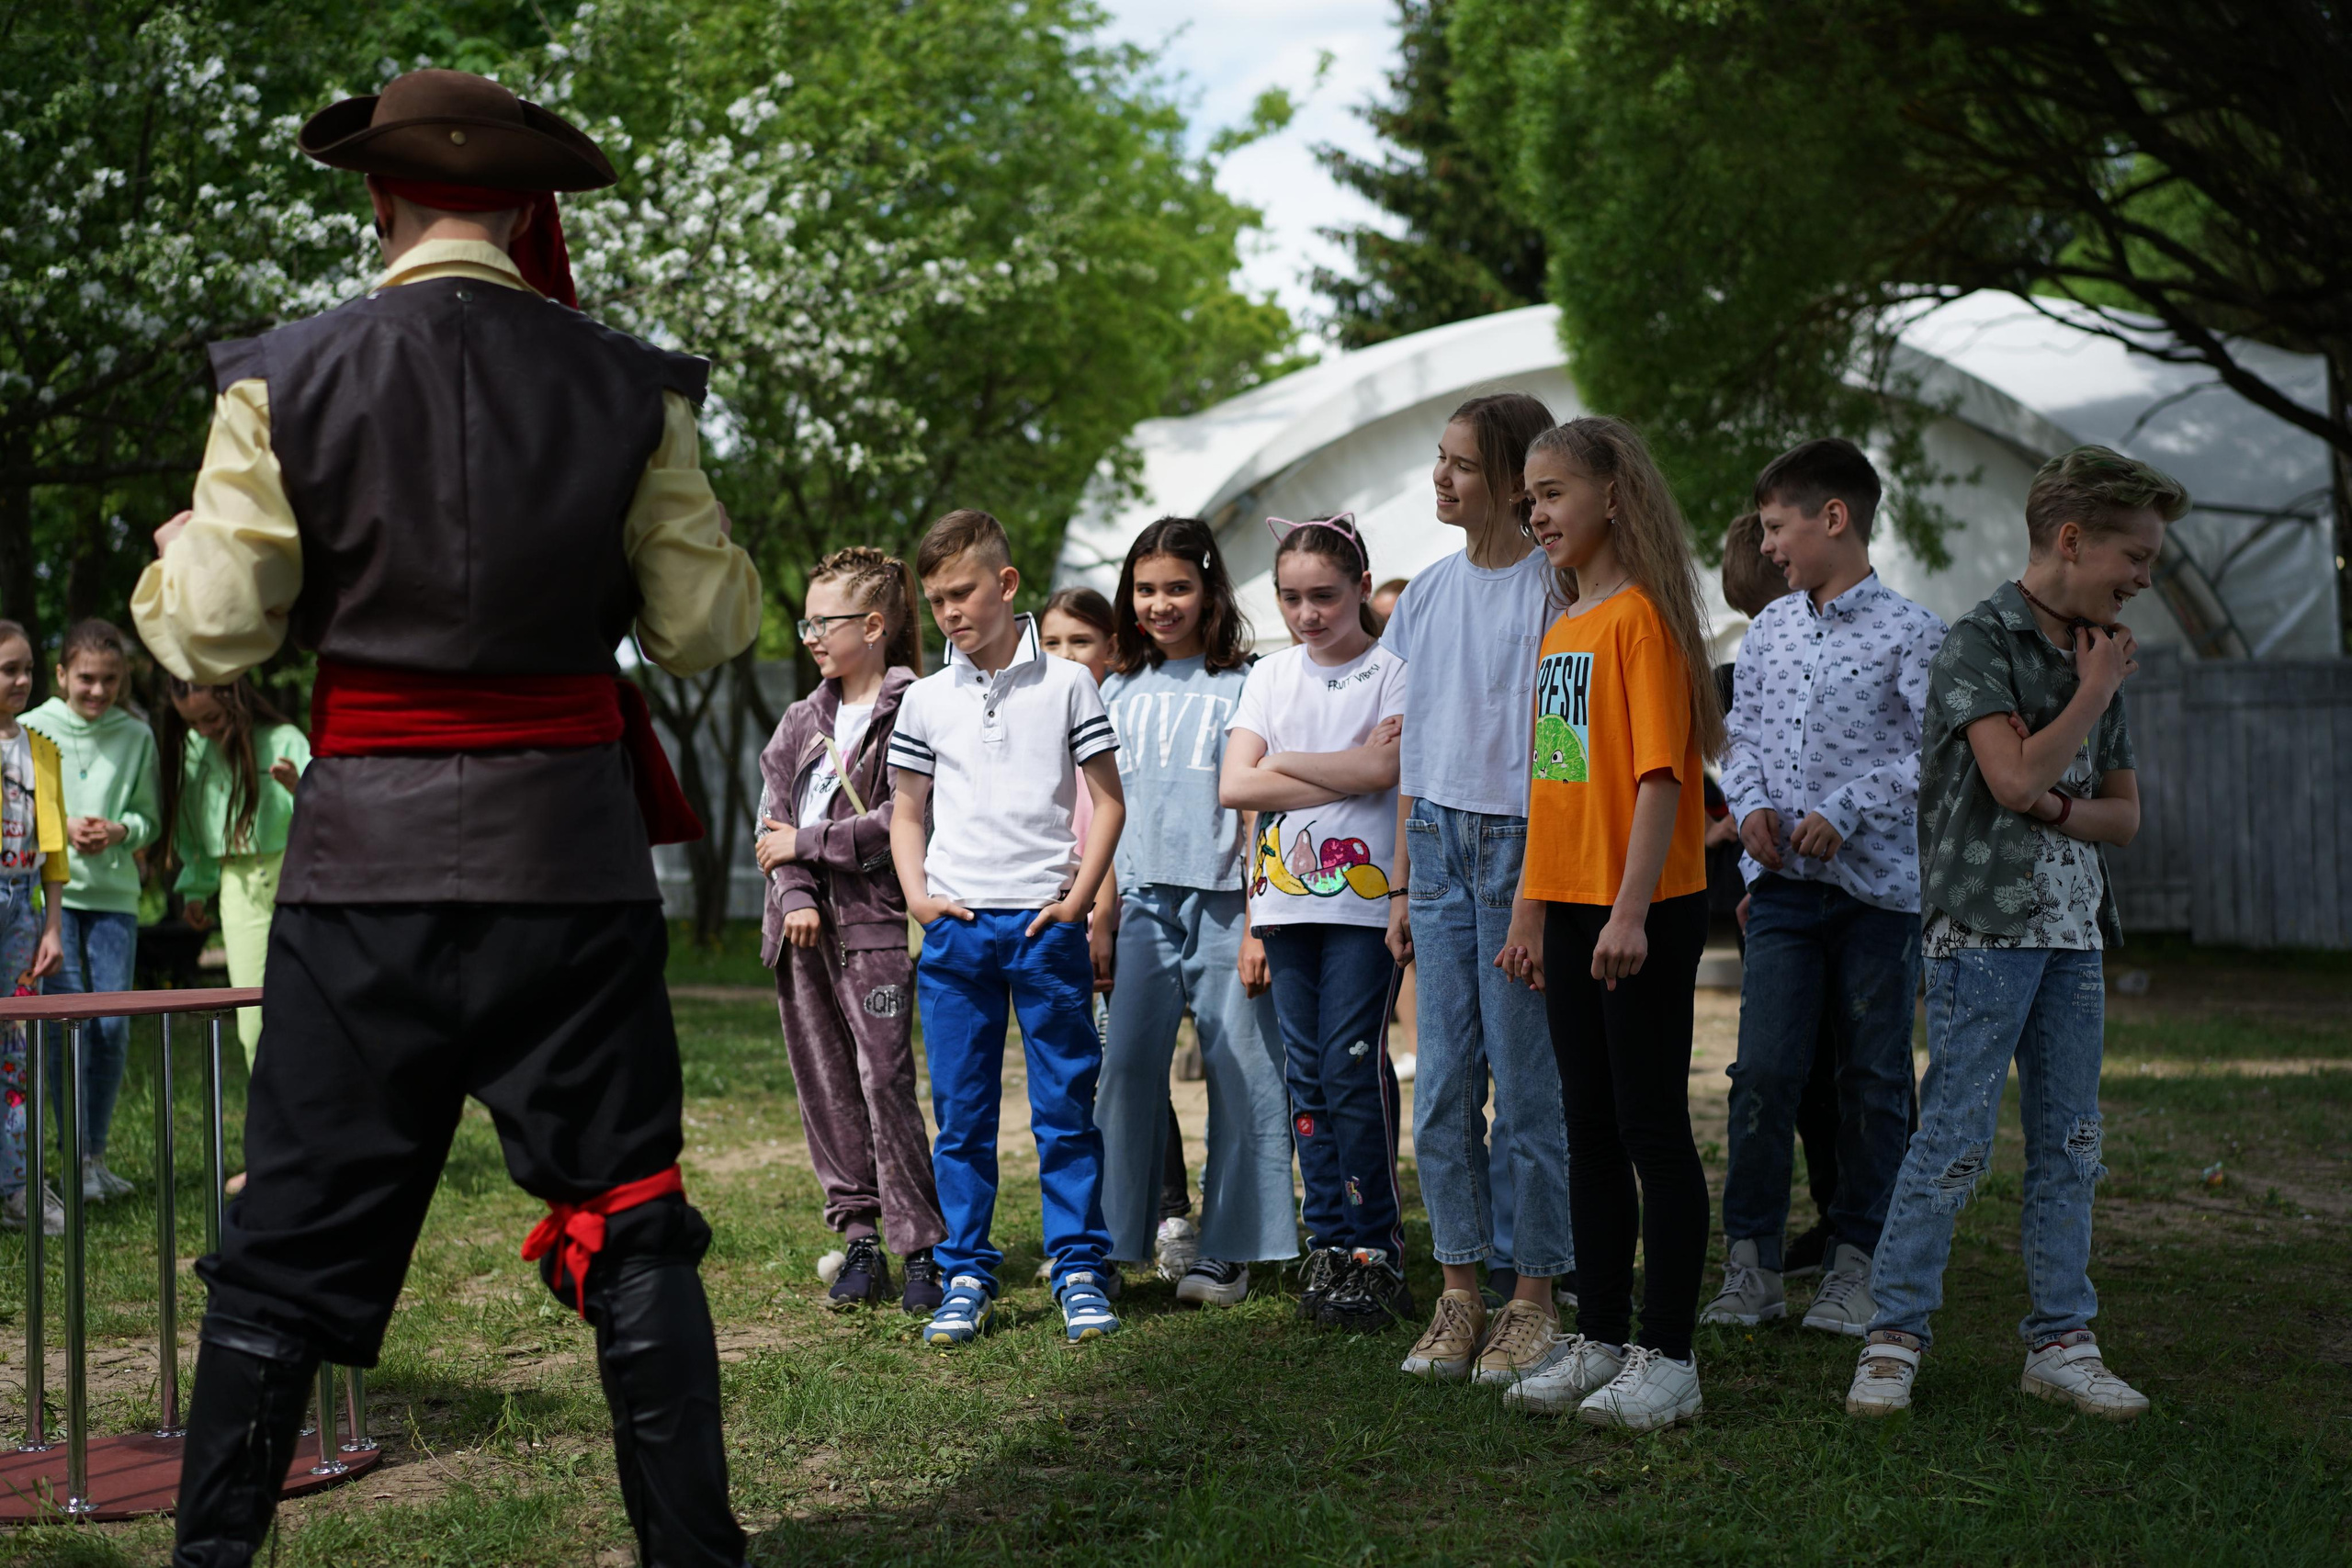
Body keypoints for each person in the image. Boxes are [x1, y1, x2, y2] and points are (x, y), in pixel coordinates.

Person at [130, 69, 762, 1566]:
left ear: (379, 199)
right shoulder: (634, 387)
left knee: (281, 1252)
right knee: (634, 1214)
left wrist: (172, 561)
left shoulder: (281, 378)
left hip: (362, 873)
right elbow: (703, 630)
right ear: (529, 205)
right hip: (572, 867)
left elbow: (212, 635)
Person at [1845, 446, 2184, 1423]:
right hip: (1983, 935)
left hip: (2074, 933)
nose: (2143, 580)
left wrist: (2061, 807)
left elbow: (2119, 817)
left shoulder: (2101, 644)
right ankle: (1892, 1336)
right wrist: (2090, 700)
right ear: (2070, 539)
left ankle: (2061, 1342)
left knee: (2070, 1141)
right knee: (1951, 1137)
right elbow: (2011, 779)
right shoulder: (1979, 641)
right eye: (2135, 555)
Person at [1494, 415, 1721, 1431]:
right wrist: (1533, 909)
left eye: (1551, 493)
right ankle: (1602, 1336)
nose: (1535, 512)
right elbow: (1555, 785)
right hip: (1576, 908)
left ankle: (1669, 1358)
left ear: (1613, 495)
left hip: (1645, 912)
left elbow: (1661, 782)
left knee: (1650, 1130)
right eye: (1529, 497)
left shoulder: (1640, 622)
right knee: (1585, 1127)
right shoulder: (1562, 628)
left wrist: (1626, 912)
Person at [1705, 441, 1946, 1340]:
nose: (1767, 547)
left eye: (1776, 527)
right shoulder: (1767, 631)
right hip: (1783, 895)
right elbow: (1741, 739)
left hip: (1876, 897)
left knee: (1872, 1078)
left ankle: (1859, 1267)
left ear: (1832, 518)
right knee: (1763, 1073)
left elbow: (1936, 757)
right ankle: (1751, 1267)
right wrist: (1756, 802)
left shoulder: (1915, 633)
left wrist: (1842, 808)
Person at [886, 509, 1127, 1347]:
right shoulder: (922, 698)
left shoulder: (1068, 683)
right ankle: (965, 1274)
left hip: (1044, 927)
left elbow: (1109, 803)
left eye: (964, 592)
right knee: (962, 1116)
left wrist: (1080, 900)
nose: (951, 610)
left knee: (1065, 1108)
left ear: (1006, 583)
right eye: (937, 598)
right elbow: (905, 814)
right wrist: (919, 899)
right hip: (954, 933)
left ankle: (1079, 1269)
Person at [1383, 393, 1577, 1385]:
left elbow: (1561, 749)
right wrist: (1400, 885)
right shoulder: (1424, 595)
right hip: (1436, 848)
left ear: (1511, 481)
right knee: (1446, 1086)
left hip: (1517, 850)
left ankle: (1533, 1299)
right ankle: (1458, 1294)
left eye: (1459, 464)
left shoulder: (1556, 590)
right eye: (1438, 459)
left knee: (1528, 1089)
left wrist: (1539, 895)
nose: (1439, 478)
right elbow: (1414, 740)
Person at [1096, 517, 1294, 1309]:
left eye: (1177, 586)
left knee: (1241, 1074)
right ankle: (1106, 1246)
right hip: (1141, 905)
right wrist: (1101, 916)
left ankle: (1232, 1249)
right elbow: (1105, 818)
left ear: (1211, 590)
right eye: (1146, 589)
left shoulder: (1251, 683)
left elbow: (1264, 818)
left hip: (1226, 905)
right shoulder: (1114, 688)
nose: (1160, 603)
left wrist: (1256, 921)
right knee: (1123, 1072)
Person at [1221, 513, 1411, 1333]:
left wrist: (1284, 762)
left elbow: (1387, 770)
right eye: (1291, 598)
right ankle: (1326, 1239)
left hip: (1365, 909)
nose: (1308, 614)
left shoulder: (1396, 672)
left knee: (1350, 1067)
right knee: (1306, 1073)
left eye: (1325, 596)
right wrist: (1342, 771)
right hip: (1282, 904)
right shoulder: (1268, 676)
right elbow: (1236, 787)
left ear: (1362, 588)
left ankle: (1376, 1249)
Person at [754, 547, 947, 1315]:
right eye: (805, 620)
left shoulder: (917, 708)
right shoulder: (801, 720)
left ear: (873, 626)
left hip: (875, 928)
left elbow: (905, 821)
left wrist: (808, 846)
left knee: (885, 1083)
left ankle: (922, 1247)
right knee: (827, 1089)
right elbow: (771, 821)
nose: (809, 635)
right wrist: (795, 890)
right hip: (798, 932)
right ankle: (860, 1237)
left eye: (822, 621)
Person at [1712, 510, 1843, 1280]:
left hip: (1848, 893)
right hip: (1778, 893)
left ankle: (1856, 1219)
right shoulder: (1739, 678)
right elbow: (1743, 778)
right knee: (1789, 1068)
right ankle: (1825, 1218)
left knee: (1854, 1065)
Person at [24, 617, 161, 1202]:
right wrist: (59, 828)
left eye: (109, 679)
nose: (98, 691)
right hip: (49, 900)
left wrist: (121, 828)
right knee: (65, 1030)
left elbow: (151, 818)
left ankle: (94, 1157)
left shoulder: (138, 735)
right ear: (61, 675)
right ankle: (71, 1158)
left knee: (111, 1027)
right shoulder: (29, 729)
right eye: (86, 679)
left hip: (114, 899)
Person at [158, 675, 309, 1067]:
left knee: (312, 1004)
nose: (204, 730)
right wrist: (195, 889)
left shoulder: (283, 738)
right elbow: (195, 827)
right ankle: (272, 1116)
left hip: (296, 878)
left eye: (211, 717)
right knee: (252, 1020)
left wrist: (302, 788)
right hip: (237, 886)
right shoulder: (193, 750)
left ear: (235, 700)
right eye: (193, 723)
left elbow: (332, 813)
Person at [0, 621, 68, 1235]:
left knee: (19, 1044)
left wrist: (52, 924)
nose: (19, 680)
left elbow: (56, 851)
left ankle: (19, 1185)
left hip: (25, 908)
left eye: (25, 668)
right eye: (6, 669)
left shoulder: (42, 747)